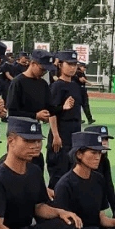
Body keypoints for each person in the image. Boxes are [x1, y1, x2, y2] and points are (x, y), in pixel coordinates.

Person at [47, 50, 85, 187]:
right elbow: (52, 112)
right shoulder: (56, 86)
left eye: (75, 64)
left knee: (72, 174)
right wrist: (56, 135)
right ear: (60, 65)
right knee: (58, 175)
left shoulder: (75, 86)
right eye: (69, 64)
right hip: (61, 133)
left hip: (74, 134)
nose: (73, 67)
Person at [82, 123, 115, 207]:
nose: (105, 143)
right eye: (101, 139)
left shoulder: (104, 161)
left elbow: (109, 187)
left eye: (106, 139)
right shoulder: (80, 163)